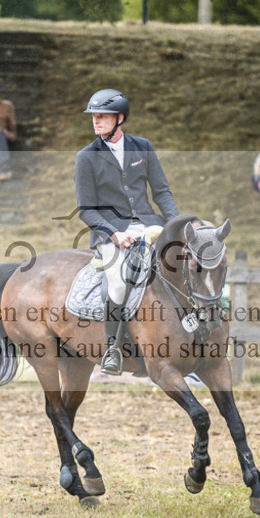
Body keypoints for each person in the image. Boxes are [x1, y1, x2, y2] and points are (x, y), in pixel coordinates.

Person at [74, 89, 178, 375]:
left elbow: (161, 191)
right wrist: (113, 234)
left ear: (120, 118)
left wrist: (175, 224)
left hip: (150, 226)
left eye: (102, 117)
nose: (96, 122)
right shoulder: (86, 157)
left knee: (181, 268)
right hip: (113, 233)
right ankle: (113, 349)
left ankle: (191, 340)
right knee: (119, 282)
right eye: (94, 117)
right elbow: (86, 209)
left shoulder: (142, 147)